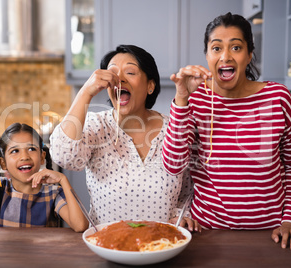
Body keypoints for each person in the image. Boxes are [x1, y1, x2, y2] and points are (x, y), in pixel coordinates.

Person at [162, 12, 291, 250]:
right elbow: (173, 164)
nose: (226, 56)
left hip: (271, 234)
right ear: (207, 55)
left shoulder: (278, 97)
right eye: (217, 48)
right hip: (207, 232)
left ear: (249, 54)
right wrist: (181, 97)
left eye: (236, 47)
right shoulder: (196, 98)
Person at [50, 44, 199, 231]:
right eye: (112, 73)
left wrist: (183, 216)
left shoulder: (176, 128)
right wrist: (85, 92)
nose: (119, 79)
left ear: (150, 86)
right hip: (107, 245)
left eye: (130, 72)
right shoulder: (96, 126)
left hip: (163, 244)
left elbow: (188, 190)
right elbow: (63, 156)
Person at [0, 90, 88, 230]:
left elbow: (80, 226)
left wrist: (63, 180)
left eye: (31, 149)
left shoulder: (53, 193)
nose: (24, 156)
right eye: (15, 151)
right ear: (3, 163)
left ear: (42, 158)